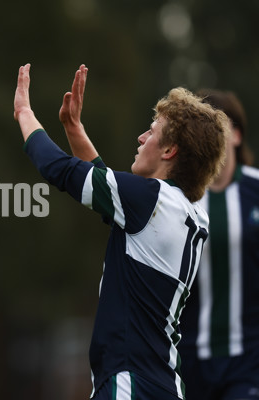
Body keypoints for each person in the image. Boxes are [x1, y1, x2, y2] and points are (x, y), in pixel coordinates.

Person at [13, 63, 228, 399]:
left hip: (131, 382)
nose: (141, 138)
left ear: (170, 151)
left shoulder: (149, 199)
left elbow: (58, 169)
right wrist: (73, 128)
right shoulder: (191, 214)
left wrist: (25, 113)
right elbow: (106, 188)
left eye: (152, 130)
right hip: (166, 385)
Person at [178, 89, 259, 400]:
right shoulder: (179, 200)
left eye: (218, 127)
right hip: (188, 358)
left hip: (248, 358)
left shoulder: (255, 190)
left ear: (236, 135)